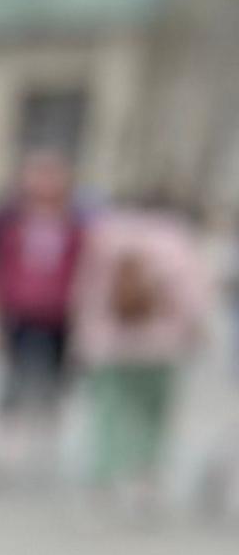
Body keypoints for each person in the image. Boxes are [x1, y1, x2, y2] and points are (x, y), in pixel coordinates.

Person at [72, 197, 213, 508]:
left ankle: (103, 476)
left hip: (111, 342)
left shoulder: (104, 238)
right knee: (153, 413)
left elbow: (87, 289)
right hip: (162, 344)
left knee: (109, 412)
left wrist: (86, 336)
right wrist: (196, 330)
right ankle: (143, 476)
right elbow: (192, 294)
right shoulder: (177, 240)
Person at [0, 147, 90, 477]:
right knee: (13, 377)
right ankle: (6, 448)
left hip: (60, 313)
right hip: (18, 309)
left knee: (54, 379)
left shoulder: (77, 223)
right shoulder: (8, 220)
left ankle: (45, 440)